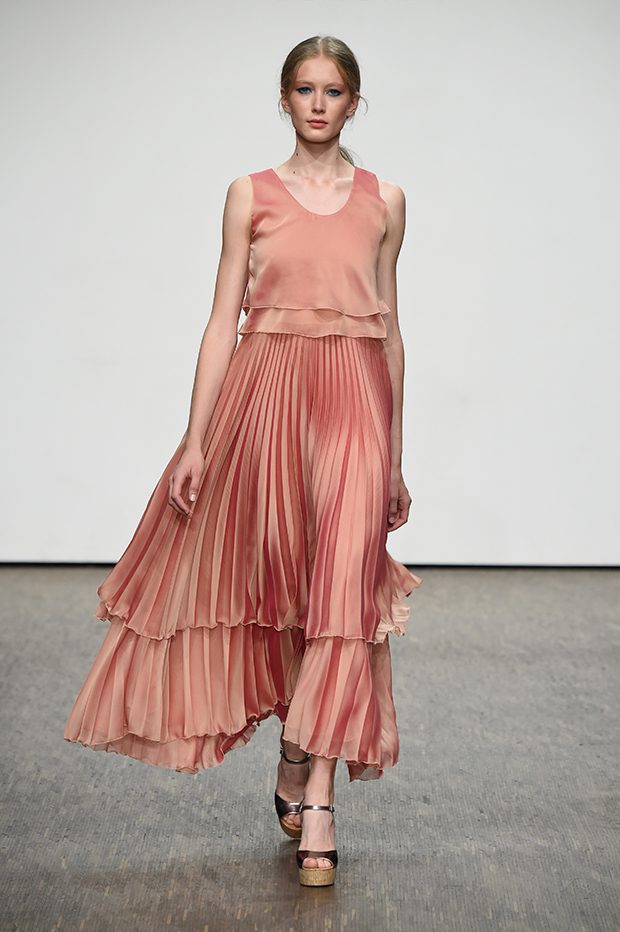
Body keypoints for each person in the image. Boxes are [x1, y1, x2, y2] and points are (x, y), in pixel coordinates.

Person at [64, 34, 423, 888]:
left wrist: (397, 455)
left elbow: (393, 331)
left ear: (355, 103)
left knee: (342, 593)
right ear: (285, 98)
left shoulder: (387, 201)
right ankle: (297, 746)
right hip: (264, 400)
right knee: (282, 588)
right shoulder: (248, 195)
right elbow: (221, 317)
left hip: (355, 403)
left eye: (334, 91)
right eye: (305, 88)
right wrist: (196, 439)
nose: (319, 104)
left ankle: (323, 801)